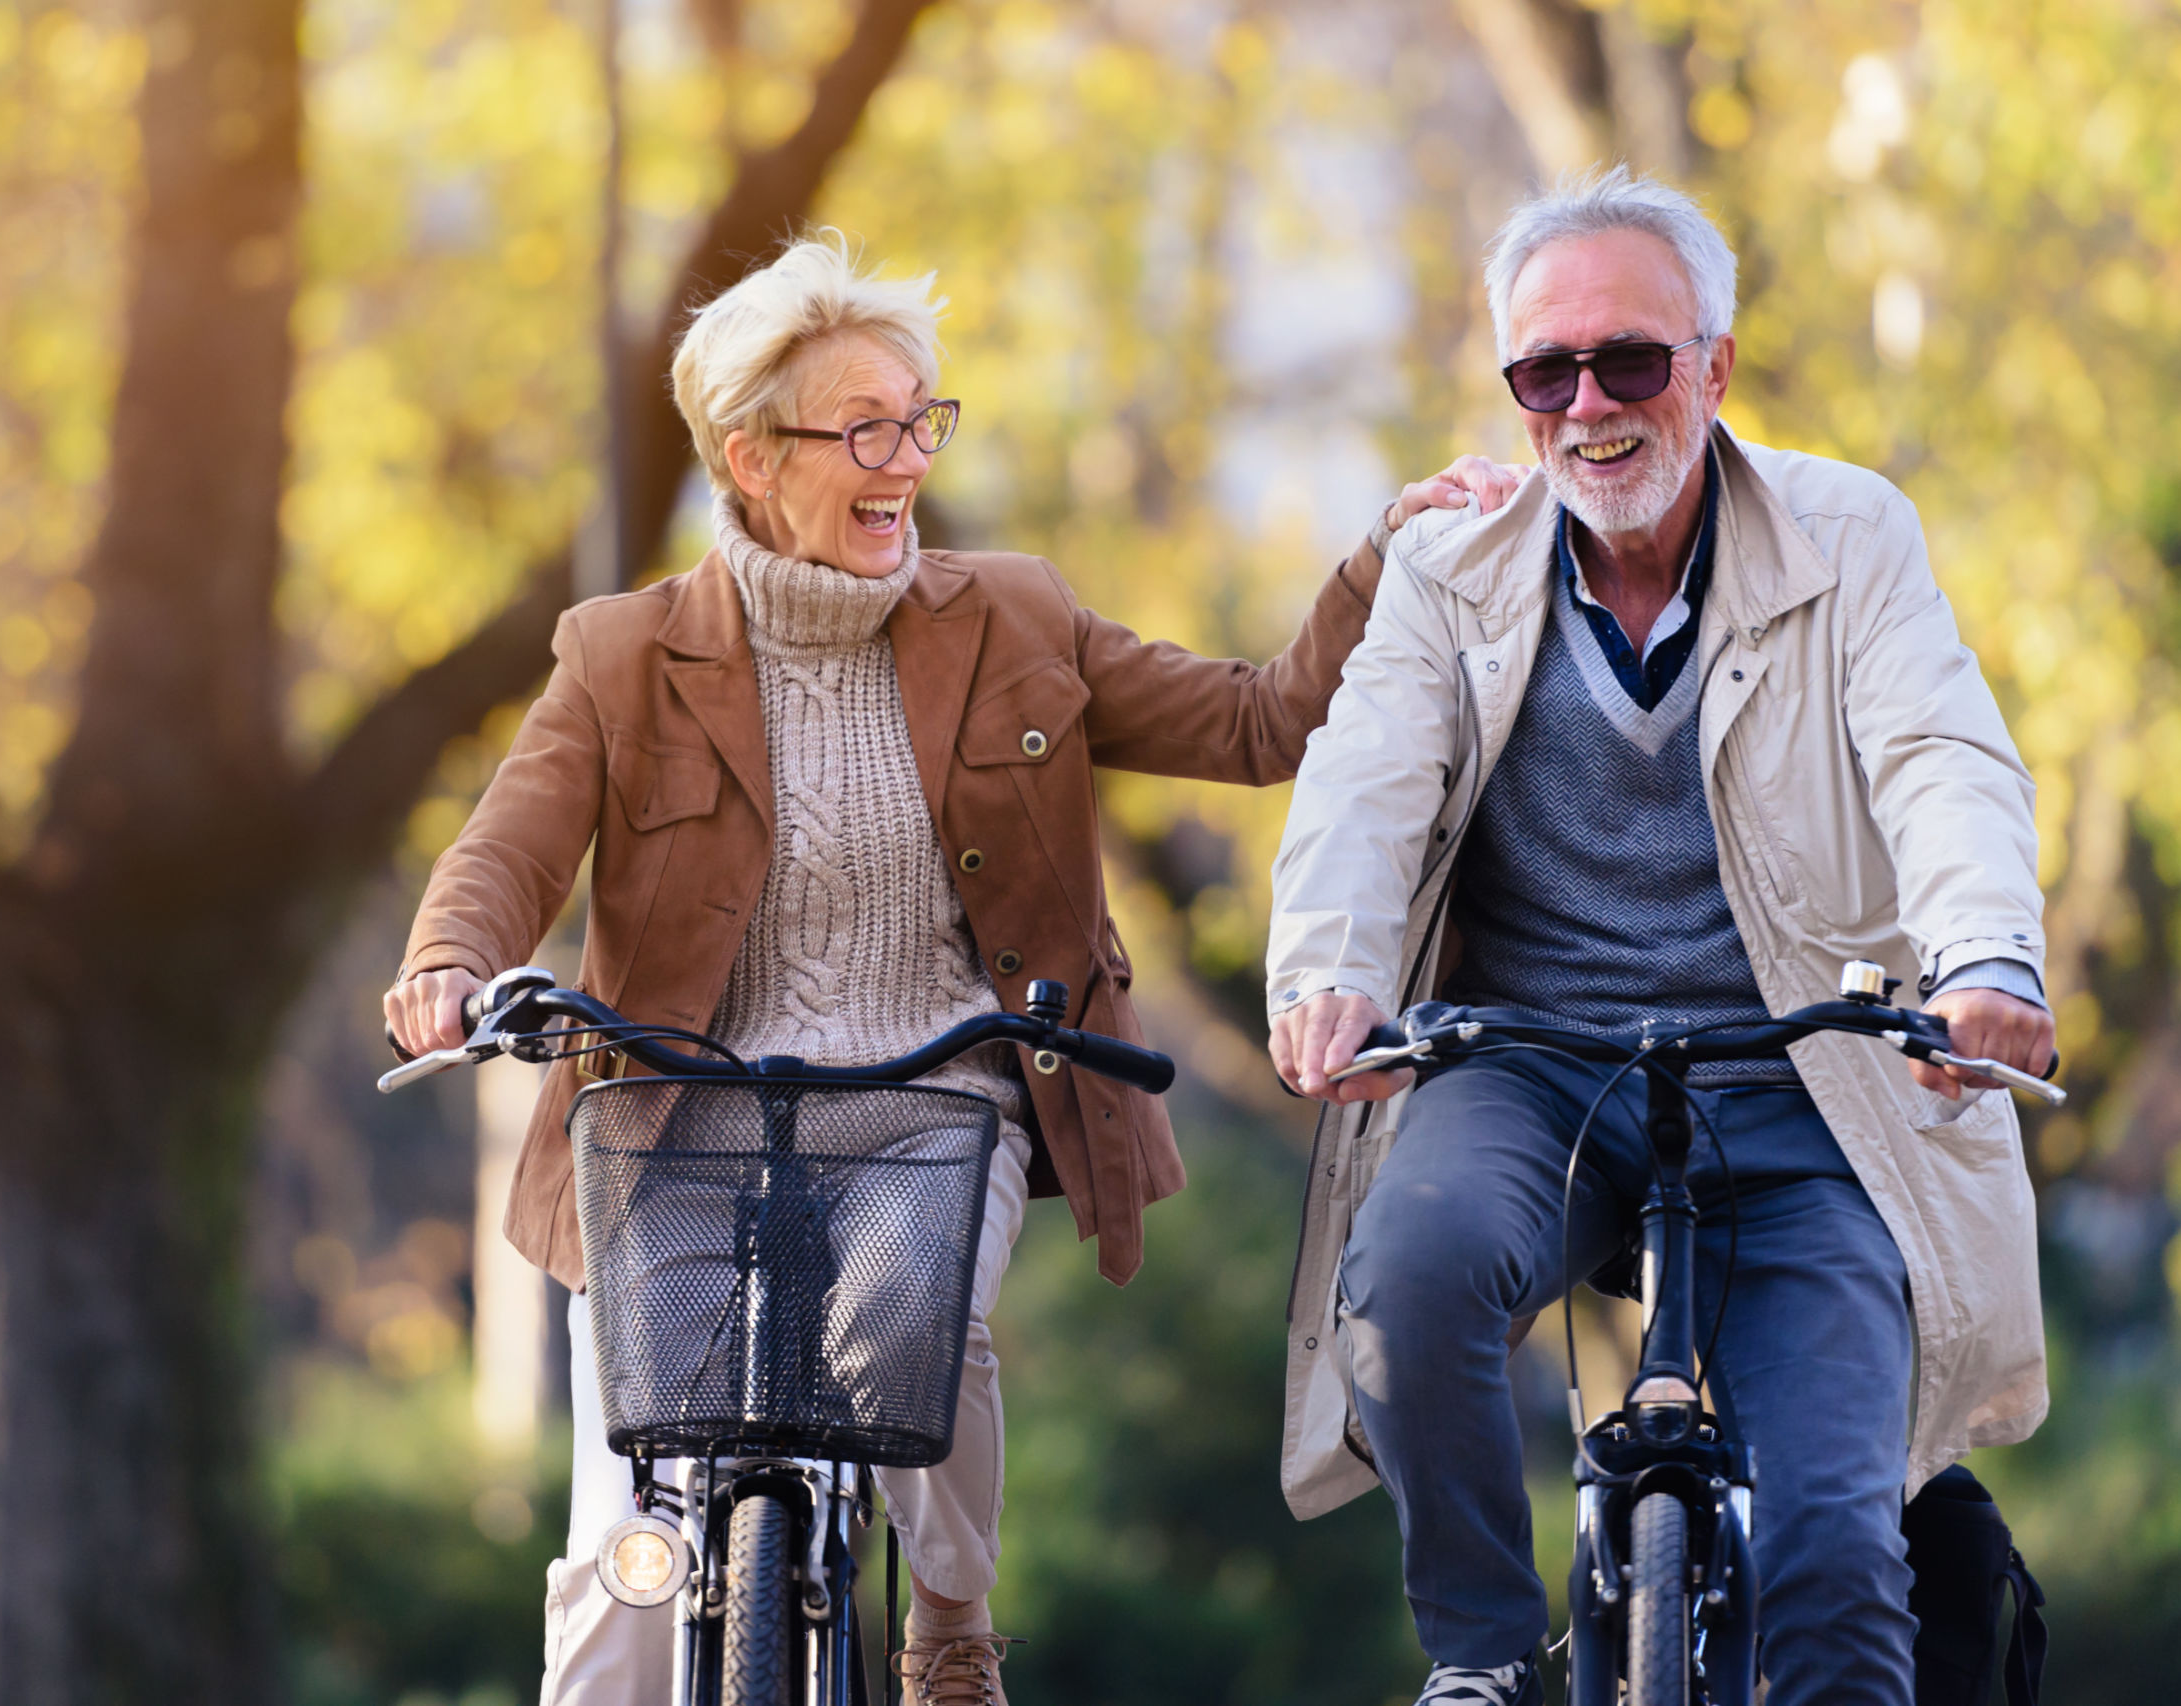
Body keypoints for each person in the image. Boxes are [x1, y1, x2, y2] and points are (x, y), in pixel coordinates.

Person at [384, 234, 1521, 1706]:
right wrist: (446, 964)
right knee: (626, 1550)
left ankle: (950, 1625)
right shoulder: (623, 655)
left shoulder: (1016, 617)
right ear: (753, 455)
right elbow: (503, 856)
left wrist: (1381, 554)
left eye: (922, 418)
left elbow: (1257, 723)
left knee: (902, 1328)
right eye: (865, 426)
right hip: (672, 1119)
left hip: (934, 1094)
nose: (905, 458)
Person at [1262, 167, 2054, 1706]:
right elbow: (1362, 778)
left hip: (1801, 1076)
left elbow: (1940, 757)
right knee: (1408, 1280)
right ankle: (1487, 1659)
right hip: (1527, 1065)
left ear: (1715, 366)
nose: (1589, 406)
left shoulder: (1849, 534)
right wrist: (1331, 975)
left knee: (1834, 1542)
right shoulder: (1447, 570)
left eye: (1631, 359)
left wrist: (1988, 963)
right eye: (1545, 373)